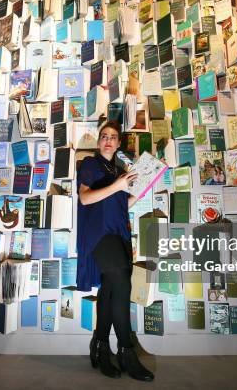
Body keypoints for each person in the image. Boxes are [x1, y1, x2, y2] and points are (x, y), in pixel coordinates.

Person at [76, 120, 154, 382]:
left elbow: (121, 205)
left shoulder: (120, 170)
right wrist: (118, 186)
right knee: (121, 288)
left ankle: (99, 347)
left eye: (113, 137)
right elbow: (86, 198)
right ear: (99, 141)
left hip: (119, 234)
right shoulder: (89, 164)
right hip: (99, 235)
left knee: (109, 292)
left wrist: (138, 192)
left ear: (119, 143)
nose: (108, 140)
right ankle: (126, 352)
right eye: (104, 136)